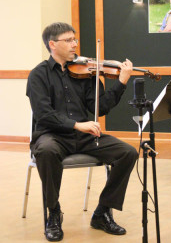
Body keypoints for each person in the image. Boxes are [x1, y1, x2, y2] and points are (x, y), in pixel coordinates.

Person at [26, 22, 138, 242]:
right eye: (68, 40)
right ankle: (54, 213)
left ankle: (102, 212)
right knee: (46, 151)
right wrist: (77, 125)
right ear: (52, 44)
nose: (74, 44)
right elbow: (43, 114)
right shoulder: (38, 75)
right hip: (52, 135)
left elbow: (101, 107)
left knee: (128, 152)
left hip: (84, 136)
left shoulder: (86, 72)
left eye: (74, 39)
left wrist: (122, 82)